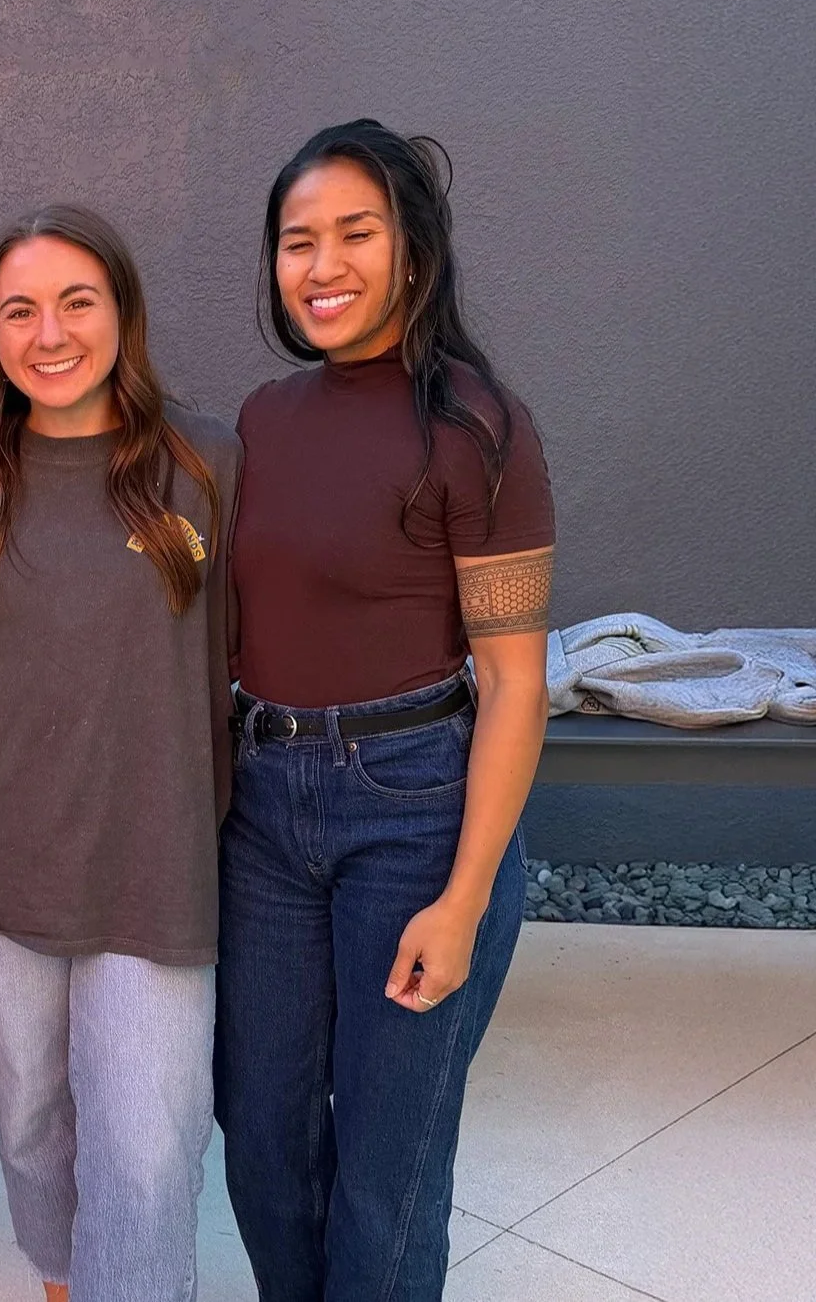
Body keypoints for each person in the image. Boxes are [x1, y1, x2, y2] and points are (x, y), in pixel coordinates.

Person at [218, 118, 555, 1301]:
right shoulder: (262, 419)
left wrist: (463, 901)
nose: (322, 265)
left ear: (411, 246)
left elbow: (517, 681)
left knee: (385, 1166)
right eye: (297, 240)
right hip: (261, 808)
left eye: (355, 233)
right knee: (261, 1139)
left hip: (413, 807)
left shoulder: (479, 427)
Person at [0, 204, 241, 1302]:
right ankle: (65, 1280)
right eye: (20, 309)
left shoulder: (206, 463)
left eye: (77, 302)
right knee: (29, 1124)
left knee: (151, 1145)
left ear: (123, 314)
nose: (49, 332)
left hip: (155, 858)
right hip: (3, 861)